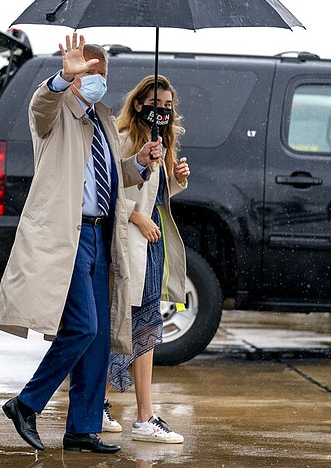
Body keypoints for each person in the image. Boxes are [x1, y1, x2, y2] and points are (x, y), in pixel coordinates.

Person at [0, 33, 163, 453]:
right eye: (89, 72)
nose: (96, 79)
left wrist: (139, 163)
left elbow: (108, 175)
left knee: (101, 333)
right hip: (67, 235)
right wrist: (59, 79)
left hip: (103, 232)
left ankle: (82, 428)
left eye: (102, 73)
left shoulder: (101, 116)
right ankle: (27, 402)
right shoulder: (55, 111)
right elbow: (39, 108)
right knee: (82, 326)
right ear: (73, 73)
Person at [102, 75, 189, 443]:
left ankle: (144, 414)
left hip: (150, 246)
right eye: (157, 104)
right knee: (118, 324)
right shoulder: (125, 139)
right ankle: (101, 403)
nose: (163, 111)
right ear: (138, 104)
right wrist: (136, 216)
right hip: (128, 243)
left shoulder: (162, 141)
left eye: (169, 107)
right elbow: (109, 189)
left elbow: (155, 193)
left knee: (145, 329)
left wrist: (178, 177)